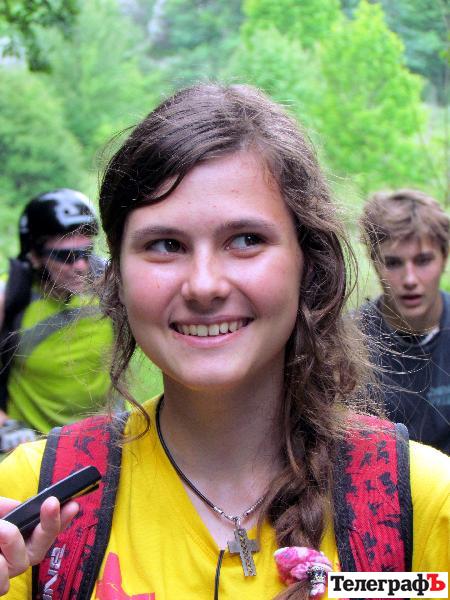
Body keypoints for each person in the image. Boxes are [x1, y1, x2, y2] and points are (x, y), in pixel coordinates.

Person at [0, 85, 448, 599]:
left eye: (246, 240)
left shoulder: (421, 506)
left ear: (309, 264)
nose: (204, 285)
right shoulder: (30, 501)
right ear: (117, 276)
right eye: (165, 245)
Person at [0, 189, 114, 444]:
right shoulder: (9, 299)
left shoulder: (110, 287)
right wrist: (7, 427)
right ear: (35, 256)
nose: (81, 266)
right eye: (65, 256)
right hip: (38, 451)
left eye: (86, 252)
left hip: (108, 442)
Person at [358, 189, 450, 454]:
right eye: (394, 263)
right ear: (375, 262)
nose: (410, 279)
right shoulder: (346, 344)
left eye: (423, 260)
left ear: (444, 257)